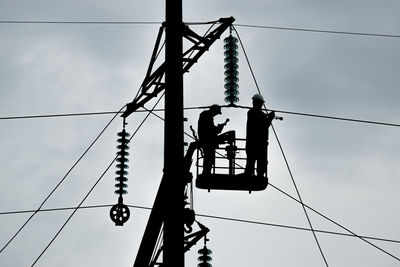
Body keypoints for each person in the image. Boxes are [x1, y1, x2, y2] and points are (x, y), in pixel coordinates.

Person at [245, 94, 275, 177]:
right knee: (258, 162)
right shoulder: (255, 114)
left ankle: (250, 175)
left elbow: (262, 124)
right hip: (259, 144)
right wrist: (270, 118)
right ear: (259, 103)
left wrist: (268, 117)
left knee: (251, 162)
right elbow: (263, 127)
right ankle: (256, 176)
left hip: (251, 144)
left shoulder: (252, 113)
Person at [198, 104, 226, 175]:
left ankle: (206, 173)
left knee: (208, 158)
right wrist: (219, 128)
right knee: (209, 158)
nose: (216, 115)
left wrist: (217, 128)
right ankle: (206, 173)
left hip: (205, 139)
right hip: (207, 141)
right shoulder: (207, 116)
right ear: (214, 110)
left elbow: (209, 128)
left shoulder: (205, 115)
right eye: (216, 113)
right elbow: (210, 130)